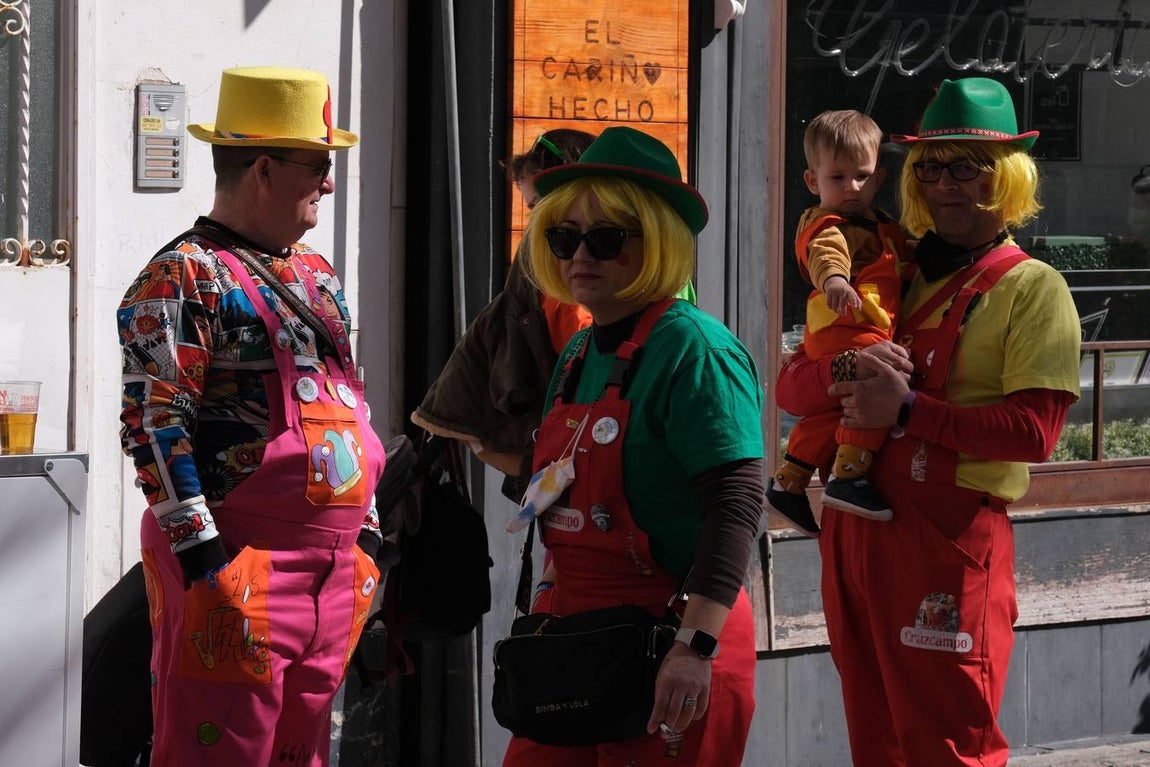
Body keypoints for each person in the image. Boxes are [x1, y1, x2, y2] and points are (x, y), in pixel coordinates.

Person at [775, 77, 1081, 766]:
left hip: (949, 544)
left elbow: (1034, 433)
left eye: (966, 167)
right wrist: (848, 369)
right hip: (853, 535)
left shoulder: (1034, 288)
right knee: (875, 741)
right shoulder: (888, 267)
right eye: (931, 167)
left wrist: (909, 410)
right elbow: (794, 387)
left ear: (1007, 177)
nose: (945, 183)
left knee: (946, 748)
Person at [118, 66, 385, 766]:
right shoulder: (182, 275)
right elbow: (155, 423)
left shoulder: (317, 275)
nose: (329, 183)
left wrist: (368, 536)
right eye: (317, 166)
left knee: (305, 754)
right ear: (264, 169)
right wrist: (205, 562)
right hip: (240, 567)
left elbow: (350, 401)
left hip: (332, 575)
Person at [501, 125, 764, 766]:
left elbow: (736, 507)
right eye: (564, 238)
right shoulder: (576, 352)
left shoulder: (695, 350)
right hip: (575, 638)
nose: (579, 255)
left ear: (659, 241)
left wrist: (695, 647)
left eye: (607, 238)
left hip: (672, 639)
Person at [411, 129, 597, 498]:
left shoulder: (565, 274)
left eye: (540, 205)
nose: (537, 223)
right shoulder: (553, 271)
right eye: (532, 210)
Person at [767, 109, 910, 537]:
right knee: (878, 387)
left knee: (836, 406)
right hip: (849, 323)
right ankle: (849, 475)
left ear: (878, 178)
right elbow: (826, 253)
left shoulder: (879, 223)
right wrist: (835, 280)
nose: (852, 187)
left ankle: (789, 481)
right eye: (838, 177)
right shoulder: (828, 223)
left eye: (862, 176)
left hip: (847, 326)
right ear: (813, 182)